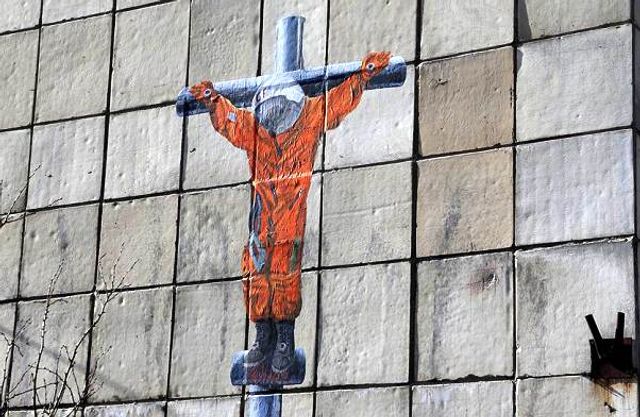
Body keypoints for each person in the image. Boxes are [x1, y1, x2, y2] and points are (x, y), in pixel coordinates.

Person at [189, 51, 392, 373]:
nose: (277, 117)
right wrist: (212, 100)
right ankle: (262, 336)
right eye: (271, 111)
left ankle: (284, 336)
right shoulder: (256, 129)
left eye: (281, 109)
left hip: (291, 218)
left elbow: (336, 102)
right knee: (255, 273)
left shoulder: (309, 118)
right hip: (261, 218)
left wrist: (363, 76)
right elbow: (231, 122)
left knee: (285, 274)